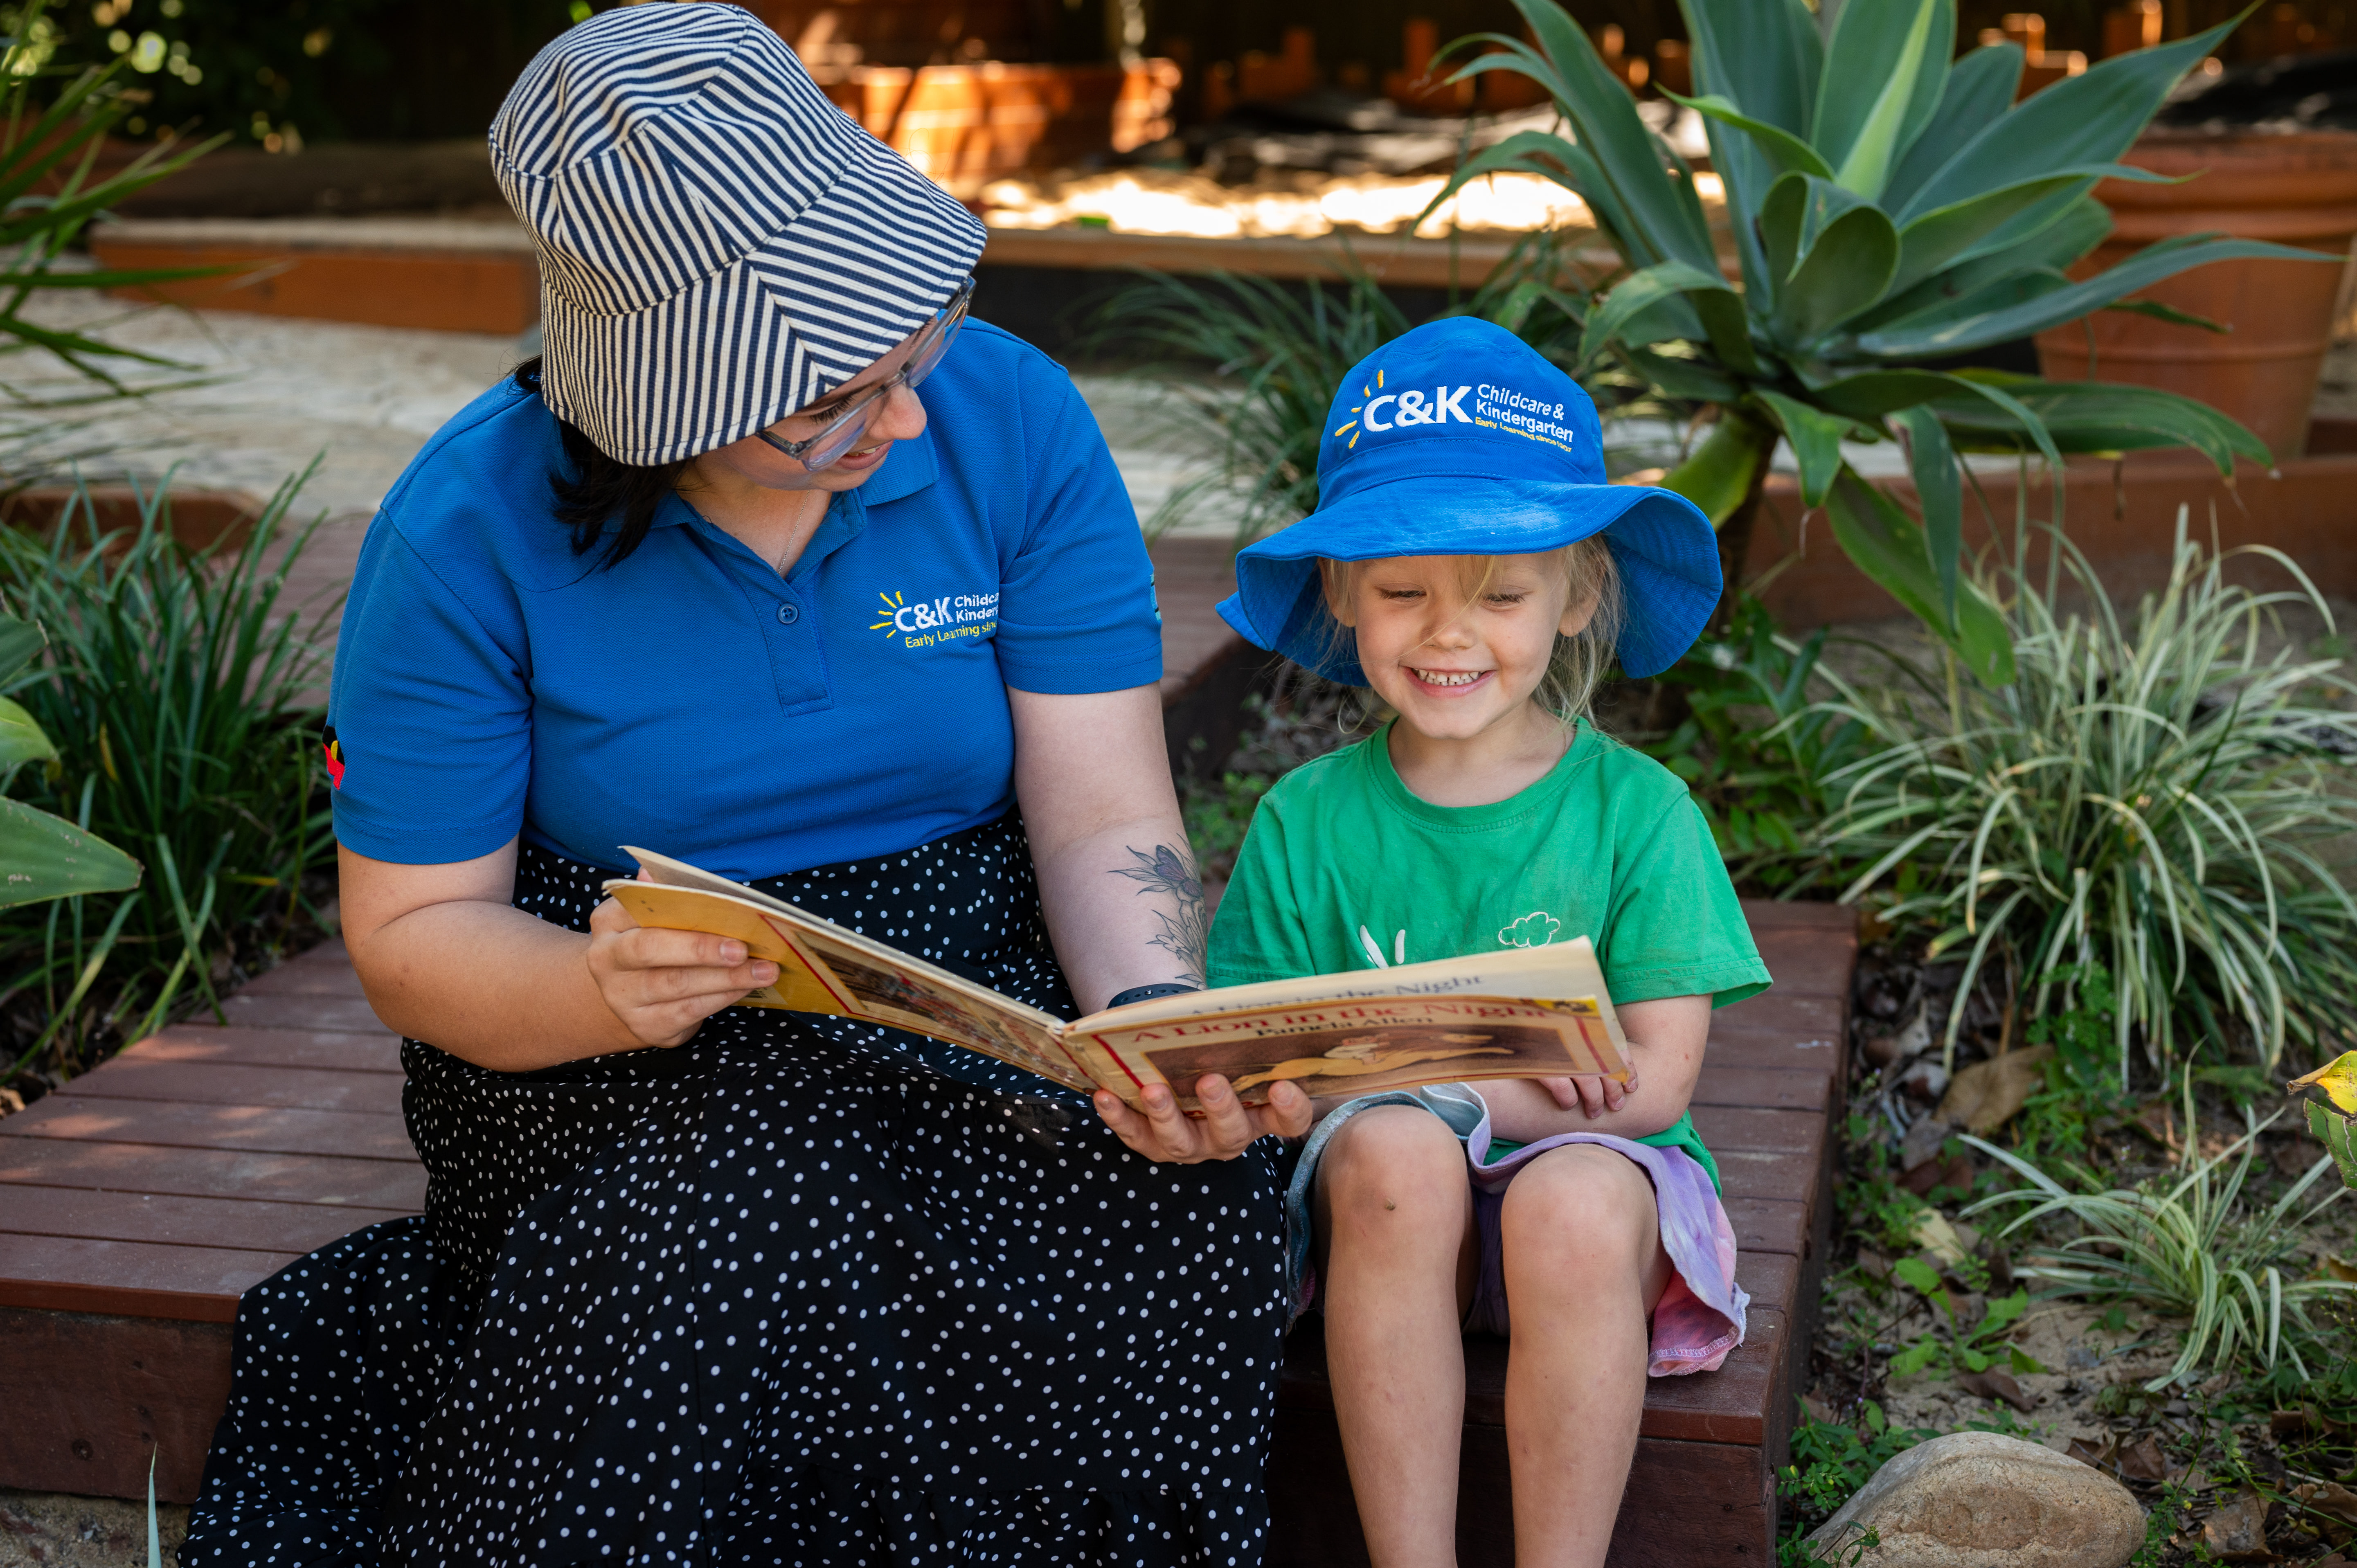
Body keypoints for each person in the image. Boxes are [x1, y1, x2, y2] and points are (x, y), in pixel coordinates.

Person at [181, 8, 1308, 1565]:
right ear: (664, 412)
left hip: (969, 963)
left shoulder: (1017, 416)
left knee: (1176, 1206)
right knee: (748, 1205)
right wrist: (596, 984)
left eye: (912, 348)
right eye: (830, 399)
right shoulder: (463, 532)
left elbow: (1106, 810)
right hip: (612, 1011)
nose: (904, 416)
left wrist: (1144, 1026)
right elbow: (416, 934)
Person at [1204, 318, 1773, 1568]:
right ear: (1343, 595)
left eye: (1501, 593)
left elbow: (1655, 1082)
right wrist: (1355, 1091)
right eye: (1402, 590)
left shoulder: (1638, 812)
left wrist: (1424, 1076)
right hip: (1384, 1232)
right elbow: (1265, 1067)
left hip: (1591, 1228)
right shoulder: (1307, 818)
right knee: (1396, 1151)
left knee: (1569, 1190)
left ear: (1574, 600)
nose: (1448, 633)